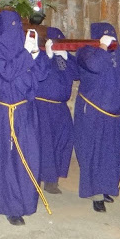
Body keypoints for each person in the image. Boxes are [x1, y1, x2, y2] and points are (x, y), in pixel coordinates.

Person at [0, 11, 50, 226]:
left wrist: (39, 54)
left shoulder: (24, 48)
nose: (15, 31)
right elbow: (8, 72)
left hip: (26, 110)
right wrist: (27, 55)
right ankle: (11, 207)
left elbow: (40, 75)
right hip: (6, 112)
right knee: (8, 161)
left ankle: (28, 202)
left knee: (30, 156)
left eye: (17, 25)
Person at [74, 22, 120, 213]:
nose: (111, 37)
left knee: (113, 155)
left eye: (112, 34)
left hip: (116, 116)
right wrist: (101, 47)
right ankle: (95, 194)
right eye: (105, 34)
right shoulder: (85, 52)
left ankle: (106, 188)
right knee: (94, 154)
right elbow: (95, 66)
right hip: (93, 114)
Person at [36, 27, 79, 194]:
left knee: (62, 142)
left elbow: (77, 74)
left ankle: (53, 179)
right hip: (42, 106)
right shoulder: (41, 56)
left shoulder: (66, 59)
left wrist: (66, 56)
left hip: (60, 107)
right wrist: (49, 55)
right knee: (43, 144)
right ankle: (39, 177)